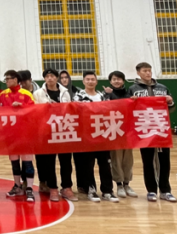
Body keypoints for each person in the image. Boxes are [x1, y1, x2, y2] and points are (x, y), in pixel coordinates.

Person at [128, 62, 176, 202]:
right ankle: (151, 190)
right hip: (144, 130)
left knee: (164, 161)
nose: (148, 73)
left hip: (161, 129)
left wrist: (170, 102)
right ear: (138, 73)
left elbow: (171, 109)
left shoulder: (162, 88)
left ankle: (165, 190)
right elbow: (128, 110)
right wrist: (131, 102)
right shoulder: (133, 89)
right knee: (148, 161)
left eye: (149, 70)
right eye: (145, 71)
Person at [73, 71, 119, 203]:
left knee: (105, 164)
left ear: (96, 81)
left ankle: (107, 191)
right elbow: (76, 113)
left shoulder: (103, 96)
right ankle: (91, 190)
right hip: (86, 136)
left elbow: (110, 111)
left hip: (102, 135)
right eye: (87, 79)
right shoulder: (78, 96)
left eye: (92, 79)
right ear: (83, 81)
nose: (90, 81)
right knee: (88, 165)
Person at [32, 69, 76, 202]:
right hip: (47, 131)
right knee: (49, 162)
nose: (50, 78)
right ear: (44, 79)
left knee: (66, 161)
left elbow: (70, 110)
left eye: (52, 76)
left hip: (63, 130)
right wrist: (45, 108)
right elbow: (34, 112)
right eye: (47, 76)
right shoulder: (38, 93)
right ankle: (53, 188)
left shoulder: (65, 92)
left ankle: (67, 187)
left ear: (57, 78)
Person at [0, 70, 36, 203]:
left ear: (15, 80)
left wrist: (22, 106)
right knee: (14, 161)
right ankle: (17, 185)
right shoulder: (3, 95)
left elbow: (34, 111)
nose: (6, 81)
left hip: (26, 134)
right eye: (5, 79)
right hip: (10, 135)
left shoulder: (26, 94)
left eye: (8, 79)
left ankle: (29, 188)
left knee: (27, 161)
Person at [104, 71, 137, 199]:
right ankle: (119, 185)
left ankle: (127, 184)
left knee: (128, 159)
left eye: (119, 79)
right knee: (116, 158)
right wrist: (108, 95)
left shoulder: (129, 94)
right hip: (113, 130)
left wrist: (134, 101)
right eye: (114, 79)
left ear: (123, 81)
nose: (116, 81)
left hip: (128, 131)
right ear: (110, 81)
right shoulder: (106, 94)